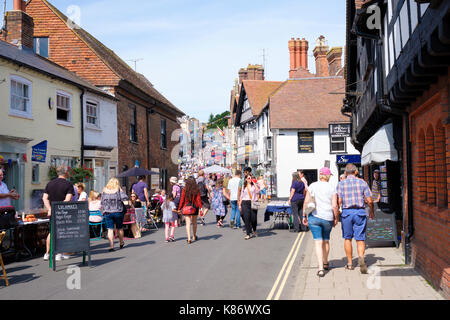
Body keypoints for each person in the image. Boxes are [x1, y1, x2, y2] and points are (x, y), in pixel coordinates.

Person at [336, 163, 374, 274]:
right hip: (360, 213)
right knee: (360, 238)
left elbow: (339, 201)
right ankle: (361, 260)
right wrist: (372, 211)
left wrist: (338, 211)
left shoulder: (341, 184)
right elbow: (370, 200)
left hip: (347, 213)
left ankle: (350, 264)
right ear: (356, 172)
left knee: (347, 238)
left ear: (345, 173)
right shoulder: (362, 182)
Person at [302, 167, 339, 277]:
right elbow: (335, 205)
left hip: (314, 217)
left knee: (318, 242)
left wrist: (304, 215)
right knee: (326, 241)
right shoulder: (332, 188)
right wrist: (336, 218)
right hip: (328, 217)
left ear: (320, 175)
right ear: (328, 176)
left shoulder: (312, 186)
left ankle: (320, 268)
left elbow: (306, 201)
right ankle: (326, 262)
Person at [42, 165, 75, 261]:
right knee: (62, 232)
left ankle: (47, 254)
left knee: (51, 232)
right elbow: (67, 200)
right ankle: (58, 254)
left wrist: (50, 209)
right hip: (63, 212)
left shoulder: (50, 183)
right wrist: (60, 209)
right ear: (66, 173)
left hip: (52, 212)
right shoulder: (68, 184)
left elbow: (44, 198)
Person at [101, 178, 128, 252]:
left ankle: (111, 246)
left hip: (107, 212)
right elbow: (125, 197)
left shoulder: (104, 189)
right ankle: (121, 242)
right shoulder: (118, 189)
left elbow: (102, 201)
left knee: (110, 229)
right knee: (119, 228)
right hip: (118, 211)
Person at [178, 177, 202, 244]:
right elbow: (198, 199)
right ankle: (194, 236)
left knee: (187, 223)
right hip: (195, 206)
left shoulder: (184, 189)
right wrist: (200, 207)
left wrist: (179, 208)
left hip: (186, 207)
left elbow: (182, 200)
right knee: (194, 222)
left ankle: (189, 238)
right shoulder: (196, 189)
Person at [239, 174, 260, 240]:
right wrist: (239, 204)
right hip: (245, 202)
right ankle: (248, 234)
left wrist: (254, 182)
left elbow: (258, 191)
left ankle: (254, 230)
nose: (249, 179)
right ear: (245, 179)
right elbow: (241, 196)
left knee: (254, 218)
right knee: (247, 218)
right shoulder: (244, 186)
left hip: (255, 202)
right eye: (248, 178)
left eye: (250, 178)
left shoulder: (255, 185)